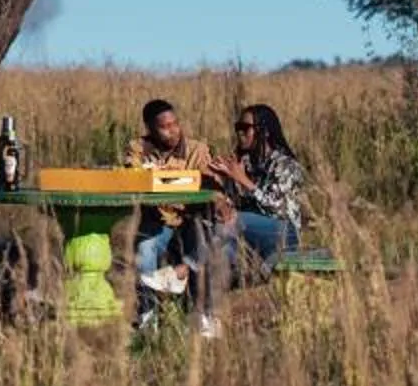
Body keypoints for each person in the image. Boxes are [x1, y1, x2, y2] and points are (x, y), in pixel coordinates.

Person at [123, 98, 229, 315]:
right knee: (145, 250)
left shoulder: (197, 150)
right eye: (164, 127)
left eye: (175, 124)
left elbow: (211, 184)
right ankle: (147, 316)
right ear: (150, 129)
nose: (172, 131)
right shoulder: (139, 149)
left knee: (204, 246)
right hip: (157, 221)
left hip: (189, 221)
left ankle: (198, 314)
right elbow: (131, 177)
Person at [225, 102, 307, 267]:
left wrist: (243, 180)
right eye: (238, 127)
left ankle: (185, 268)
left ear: (265, 132)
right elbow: (245, 205)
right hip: (256, 227)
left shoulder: (286, 165)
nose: (240, 133)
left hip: (284, 231)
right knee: (222, 234)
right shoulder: (248, 163)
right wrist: (229, 179)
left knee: (234, 220)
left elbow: (277, 207)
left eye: (245, 128)